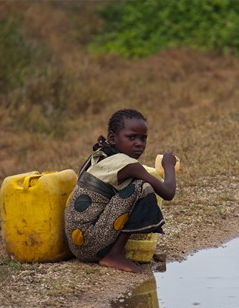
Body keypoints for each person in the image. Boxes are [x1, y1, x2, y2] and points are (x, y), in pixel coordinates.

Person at [64, 109, 177, 273]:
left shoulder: (100, 156)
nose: (139, 143)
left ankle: (113, 252)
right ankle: (114, 255)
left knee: (135, 187)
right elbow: (168, 192)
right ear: (112, 138)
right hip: (91, 244)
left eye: (143, 138)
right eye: (131, 137)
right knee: (142, 187)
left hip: (77, 245)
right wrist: (168, 165)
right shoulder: (129, 165)